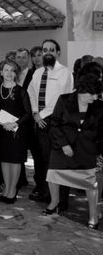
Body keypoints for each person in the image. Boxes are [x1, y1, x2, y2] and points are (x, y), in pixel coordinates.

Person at [44, 74, 103, 229]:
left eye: (97, 94)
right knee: (53, 174)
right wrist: (64, 144)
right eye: (92, 94)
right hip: (62, 147)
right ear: (81, 91)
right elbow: (54, 124)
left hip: (87, 150)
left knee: (90, 183)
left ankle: (93, 215)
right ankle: (54, 202)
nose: (95, 98)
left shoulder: (99, 106)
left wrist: (98, 151)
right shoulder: (64, 100)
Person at [27, 39, 73, 203]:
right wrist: (35, 113)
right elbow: (31, 92)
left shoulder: (65, 73)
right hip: (40, 121)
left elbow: (61, 98)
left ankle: (62, 199)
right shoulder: (38, 72)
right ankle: (48, 194)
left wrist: (42, 115)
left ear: (58, 53)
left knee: (58, 162)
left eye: (51, 50)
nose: (48, 52)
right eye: (45, 49)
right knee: (44, 160)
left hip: (56, 122)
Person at [0, 60, 31, 203]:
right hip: (1, 131)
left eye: (12, 70)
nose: (9, 73)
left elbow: (28, 113)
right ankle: (7, 187)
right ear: (1, 72)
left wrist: (14, 123)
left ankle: (13, 189)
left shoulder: (21, 91)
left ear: (16, 73)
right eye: (6, 70)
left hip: (16, 131)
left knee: (15, 161)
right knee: (4, 160)